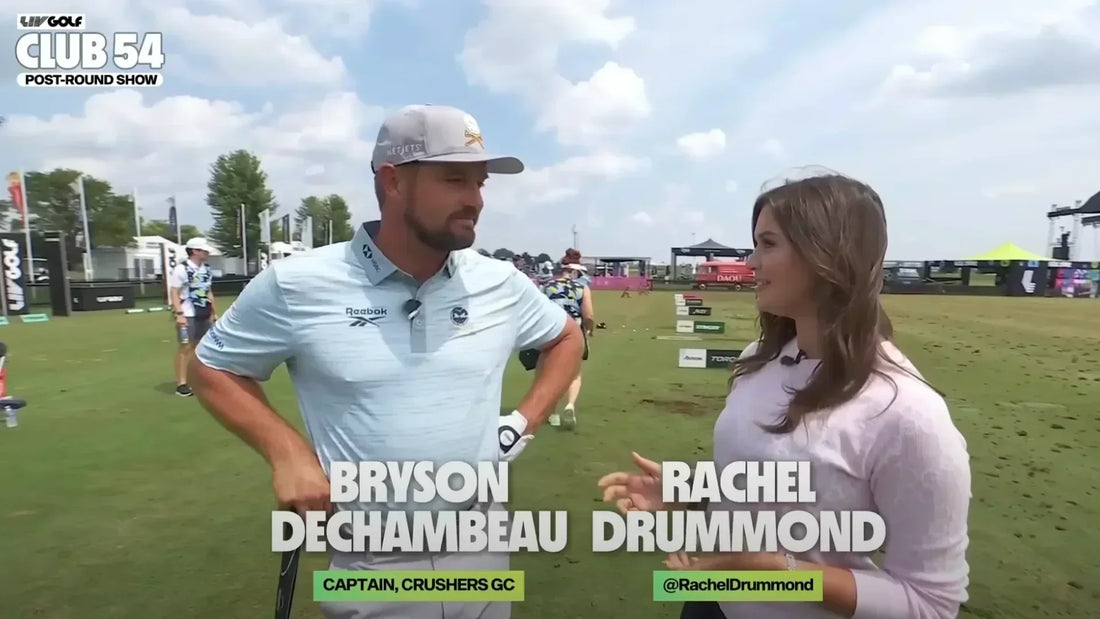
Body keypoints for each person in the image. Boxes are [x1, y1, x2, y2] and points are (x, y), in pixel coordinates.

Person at [188, 104, 584, 619]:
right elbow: (211, 367)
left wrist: (518, 426)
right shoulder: (296, 284)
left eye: (480, 183)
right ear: (393, 182)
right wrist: (287, 451)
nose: (476, 201)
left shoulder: (499, 281)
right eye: (454, 180)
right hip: (375, 569)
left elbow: (566, 337)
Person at [597, 173, 971, 619]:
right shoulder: (758, 360)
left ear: (827, 255)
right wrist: (690, 492)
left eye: (768, 244)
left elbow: (929, 604)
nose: (751, 262)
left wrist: (775, 570)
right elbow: (774, 480)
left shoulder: (908, 414)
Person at [519, 261, 594, 429]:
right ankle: (570, 406)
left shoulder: (547, 285)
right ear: (575, 272)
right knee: (574, 373)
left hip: (549, 331)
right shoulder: (582, 287)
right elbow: (589, 315)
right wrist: (590, 330)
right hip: (573, 331)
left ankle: (552, 413)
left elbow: (535, 309)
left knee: (545, 372)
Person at [168, 236, 217, 397]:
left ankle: (194, 379)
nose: (206, 253)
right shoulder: (182, 269)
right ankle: (182, 383)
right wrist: (179, 314)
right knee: (185, 347)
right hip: (188, 313)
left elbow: (208, 291)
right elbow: (174, 292)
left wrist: (213, 312)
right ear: (194, 251)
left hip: (204, 312)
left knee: (199, 347)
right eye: (203, 250)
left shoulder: (207, 269)